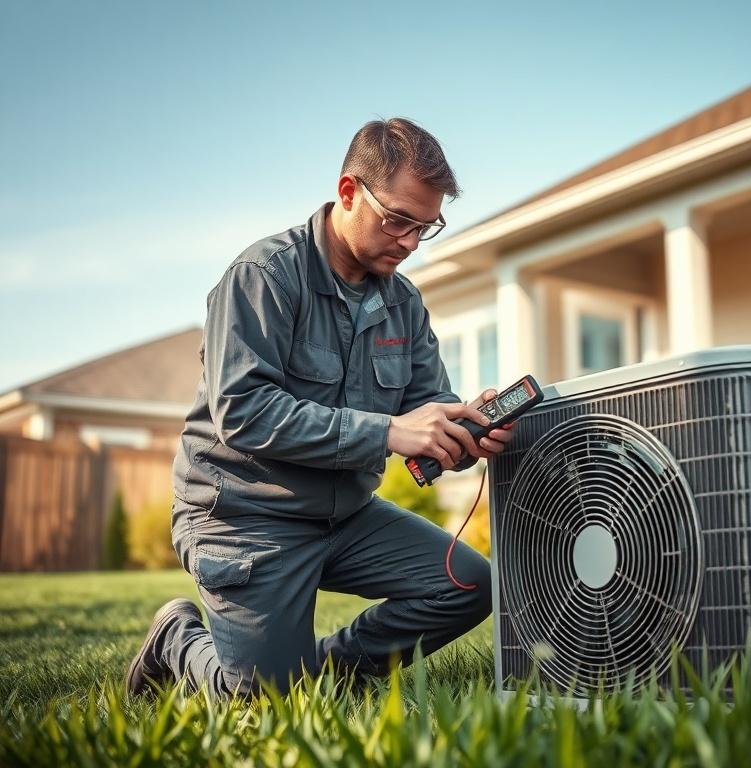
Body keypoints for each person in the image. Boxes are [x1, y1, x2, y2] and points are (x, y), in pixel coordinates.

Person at [126, 118, 513, 698]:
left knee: (468, 583)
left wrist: (461, 431)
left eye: (425, 227)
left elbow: (423, 407)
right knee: (263, 705)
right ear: (350, 190)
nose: (410, 241)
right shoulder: (263, 276)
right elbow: (244, 411)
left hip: (344, 516)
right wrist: (388, 432)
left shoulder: (403, 302)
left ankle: (326, 673)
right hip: (244, 518)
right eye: (399, 220)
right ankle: (177, 640)